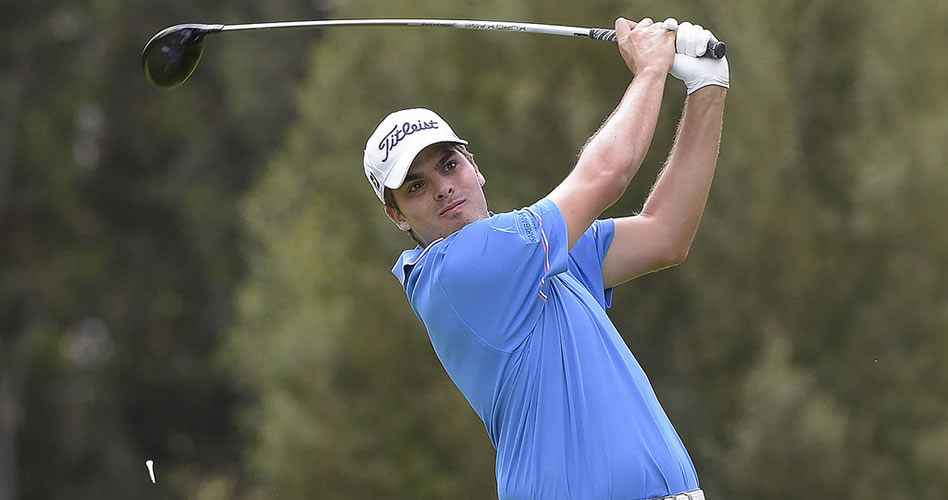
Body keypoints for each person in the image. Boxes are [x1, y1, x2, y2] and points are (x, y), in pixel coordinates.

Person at [362, 16, 728, 500]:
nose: (443, 188)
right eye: (416, 187)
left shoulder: (533, 256)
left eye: (449, 165)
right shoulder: (462, 267)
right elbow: (607, 174)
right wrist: (650, 70)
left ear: (475, 167)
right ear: (397, 216)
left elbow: (665, 234)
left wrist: (707, 89)